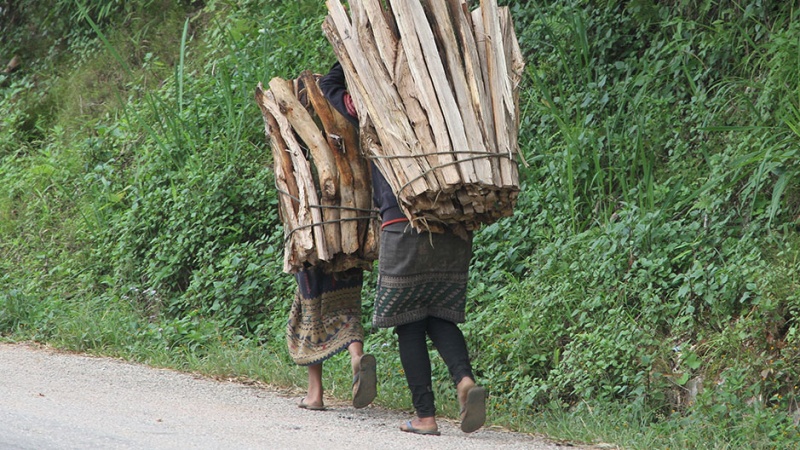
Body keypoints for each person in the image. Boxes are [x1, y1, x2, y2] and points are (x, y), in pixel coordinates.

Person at [320, 62, 487, 435]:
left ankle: (425, 417)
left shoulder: (369, 105)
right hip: (452, 220)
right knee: (439, 315)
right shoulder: (445, 101)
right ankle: (464, 381)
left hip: (402, 221)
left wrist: (353, 54)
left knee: (409, 325)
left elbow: (331, 85)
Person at [287, 265, 377, 410]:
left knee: (312, 314)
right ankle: (357, 356)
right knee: (348, 310)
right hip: (347, 249)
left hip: (312, 249)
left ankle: (314, 394)